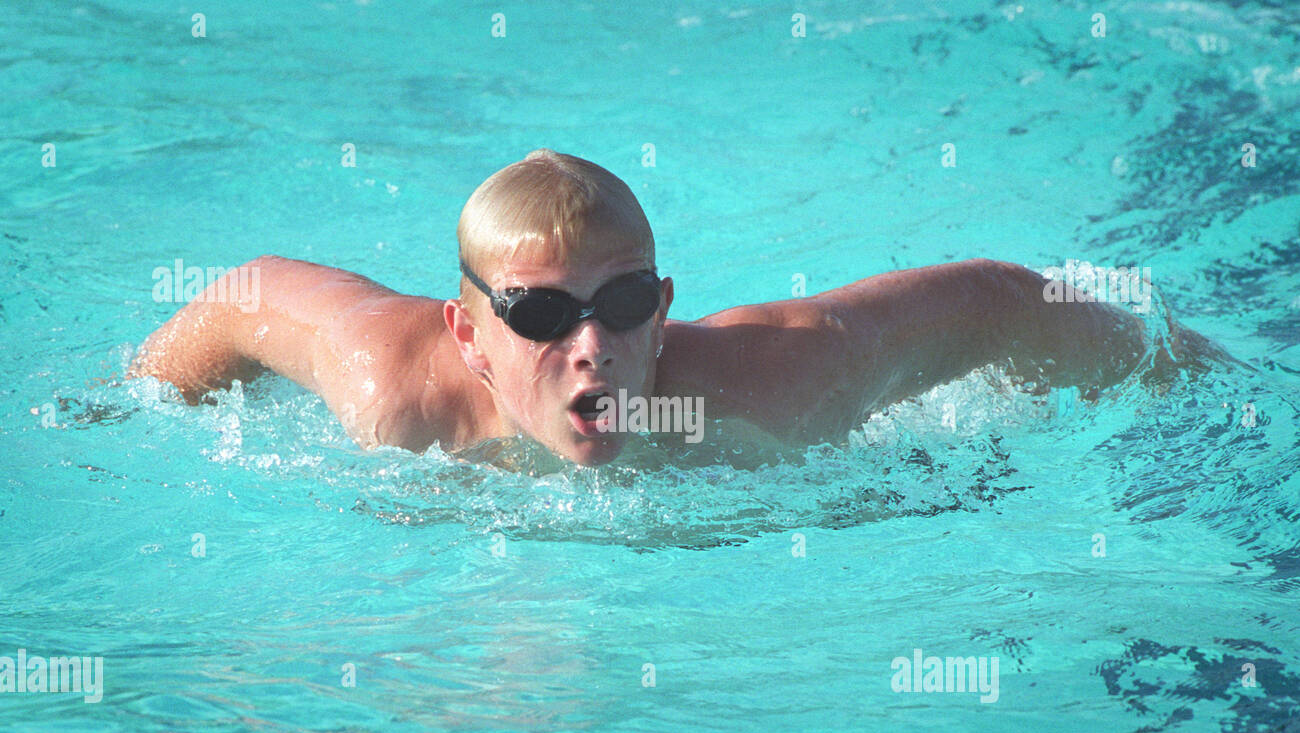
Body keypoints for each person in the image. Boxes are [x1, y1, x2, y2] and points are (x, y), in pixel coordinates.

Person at [126, 149, 1227, 468]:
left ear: (666, 308)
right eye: (542, 316)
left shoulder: (778, 385)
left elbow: (997, 301)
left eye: (623, 304)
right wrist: (128, 409)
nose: (592, 346)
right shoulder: (390, 390)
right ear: (467, 334)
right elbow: (246, 292)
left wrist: (1215, 384)